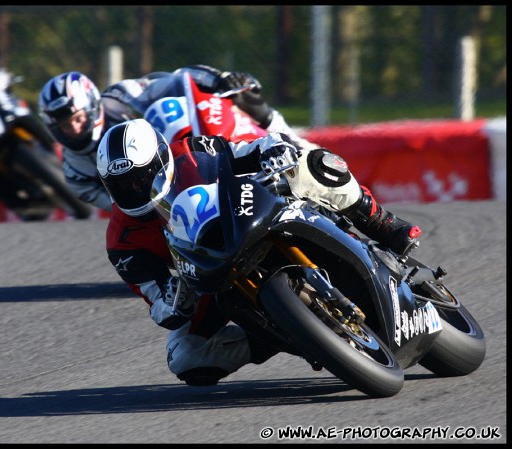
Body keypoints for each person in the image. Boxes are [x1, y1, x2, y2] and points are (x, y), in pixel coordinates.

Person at [96, 118, 422, 387]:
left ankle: (382, 223)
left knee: (313, 164)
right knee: (186, 356)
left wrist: (274, 151)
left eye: (141, 177)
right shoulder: (122, 242)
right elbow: (157, 303)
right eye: (122, 185)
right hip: (209, 276)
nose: (135, 189)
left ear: (161, 158)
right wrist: (175, 299)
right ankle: (288, 334)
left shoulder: (192, 152)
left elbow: (254, 148)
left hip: (253, 215)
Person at [37, 64, 301, 212]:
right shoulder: (75, 172)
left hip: (187, 148)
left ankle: (288, 141)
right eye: (64, 124)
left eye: (77, 117)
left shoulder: (121, 97)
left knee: (238, 93)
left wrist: (220, 79)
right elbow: (122, 209)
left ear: (93, 106)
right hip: (161, 198)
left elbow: (180, 80)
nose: (73, 128)